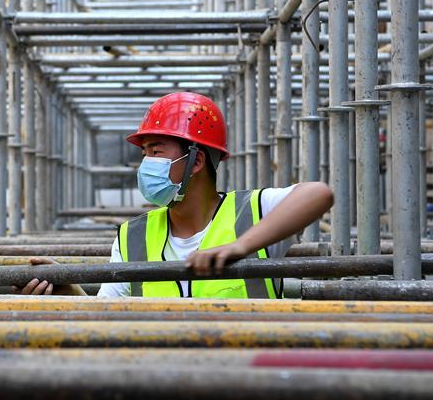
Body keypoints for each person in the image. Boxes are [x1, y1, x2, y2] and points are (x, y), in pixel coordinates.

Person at [17, 91, 333, 299]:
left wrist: (240, 247)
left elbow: (318, 193)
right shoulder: (132, 237)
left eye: (155, 151)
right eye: (144, 153)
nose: (145, 163)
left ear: (195, 161)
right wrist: (68, 288)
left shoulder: (252, 213)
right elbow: (108, 313)